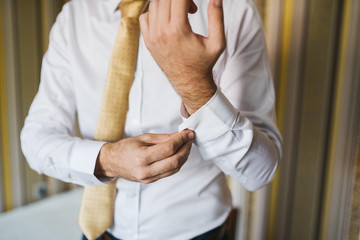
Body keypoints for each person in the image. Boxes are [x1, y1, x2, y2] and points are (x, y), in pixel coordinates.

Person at [21, 0, 282, 239]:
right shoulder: (74, 16)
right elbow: (36, 137)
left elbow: (259, 172)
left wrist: (195, 86)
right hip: (99, 232)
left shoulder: (232, 10)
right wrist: (107, 160)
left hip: (199, 232)